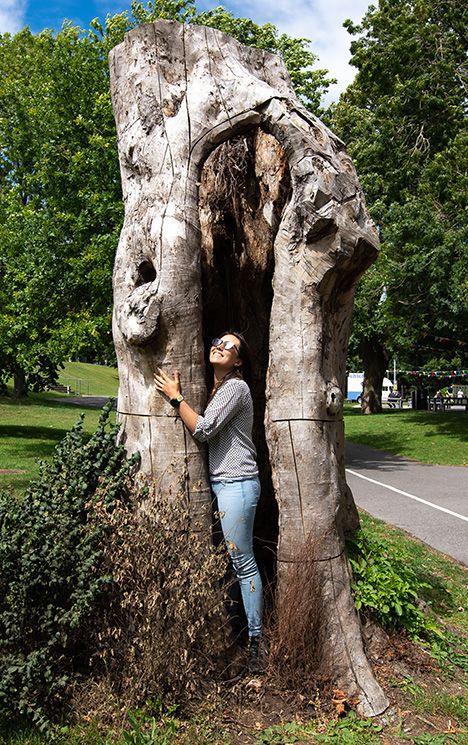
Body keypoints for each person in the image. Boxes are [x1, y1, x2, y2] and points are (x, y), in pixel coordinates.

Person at [154, 331, 264, 673]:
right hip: (224, 485)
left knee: (243, 562)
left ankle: (257, 645)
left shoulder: (236, 388)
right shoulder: (218, 388)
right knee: (233, 560)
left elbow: (203, 429)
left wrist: (175, 398)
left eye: (228, 345)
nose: (218, 346)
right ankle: (238, 630)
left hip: (237, 484)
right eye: (217, 341)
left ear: (240, 360)